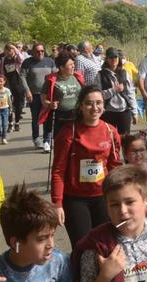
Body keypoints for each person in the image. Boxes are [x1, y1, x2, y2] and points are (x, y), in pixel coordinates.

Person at [50, 86, 121, 249]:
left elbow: (115, 167)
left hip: (103, 197)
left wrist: (120, 195)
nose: (94, 108)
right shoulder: (69, 132)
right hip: (75, 199)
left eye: (98, 103)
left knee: (106, 246)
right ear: (81, 106)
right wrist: (57, 204)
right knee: (83, 249)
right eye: (89, 103)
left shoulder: (111, 131)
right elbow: (58, 171)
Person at [38, 53, 84, 153]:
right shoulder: (51, 80)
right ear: (62, 67)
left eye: (73, 64)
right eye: (70, 65)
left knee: (77, 145)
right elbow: (43, 100)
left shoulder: (77, 77)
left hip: (76, 115)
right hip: (60, 117)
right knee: (62, 146)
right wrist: (50, 104)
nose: (73, 66)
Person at [24, 44, 57, 150]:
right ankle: (36, 138)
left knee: (47, 117)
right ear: (33, 52)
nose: (40, 53)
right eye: (38, 51)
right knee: (36, 117)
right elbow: (22, 76)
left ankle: (47, 140)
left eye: (42, 50)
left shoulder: (50, 61)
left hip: (47, 95)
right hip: (34, 94)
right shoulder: (27, 62)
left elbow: (55, 75)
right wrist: (27, 91)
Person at [99, 48, 134, 137]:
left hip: (124, 111)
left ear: (119, 59)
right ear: (106, 59)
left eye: (116, 57)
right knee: (108, 139)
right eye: (111, 57)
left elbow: (131, 92)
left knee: (125, 139)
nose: (113, 60)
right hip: (108, 112)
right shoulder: (100, 75)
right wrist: (114, 90)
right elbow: (98, 95)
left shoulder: (125, 73)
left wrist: (135, 111)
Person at [0, 44, 30, 133]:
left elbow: (22, 59)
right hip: (8, 85)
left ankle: (17, 122)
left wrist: (15, 48)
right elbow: (1, 72)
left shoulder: (17, 58)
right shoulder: (3, 60)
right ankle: (10, 123)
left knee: (19, 105)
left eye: (10, 50)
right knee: (9, 105)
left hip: (19, 84)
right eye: (7, 50)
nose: (8, 52)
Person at [0, 75, 13, 145]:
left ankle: (4, 137)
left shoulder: (7, 90)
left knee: (5, 124)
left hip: (5, 109)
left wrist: (11, 108)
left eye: (1, 81)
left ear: (4, 82)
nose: (0, 83)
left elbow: (9, 100)